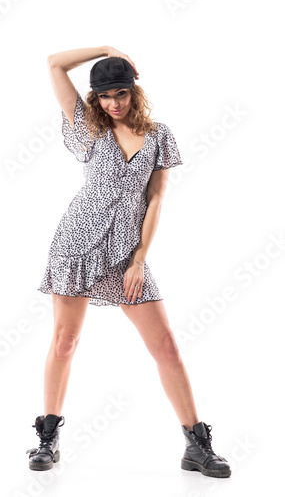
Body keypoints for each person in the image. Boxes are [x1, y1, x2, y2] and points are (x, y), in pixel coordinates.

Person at [25, 46, 231, 478]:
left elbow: (155, 198)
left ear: (135, 92)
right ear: (95, 99)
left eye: (121, 93)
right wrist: (104, 49)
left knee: (167, 346)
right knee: (65, 342)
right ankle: (47, 437)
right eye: (105, 96)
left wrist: (139, 259)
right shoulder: (87, 130)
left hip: (126, 252)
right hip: (75, 244)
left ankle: (197, 445)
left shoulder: (159, 135)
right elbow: (54, 63)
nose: (114, 103)